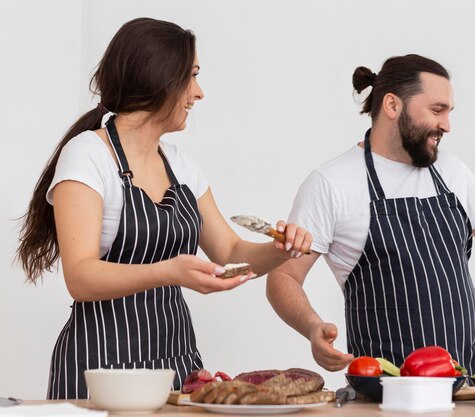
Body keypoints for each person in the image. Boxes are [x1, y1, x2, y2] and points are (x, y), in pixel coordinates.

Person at [16, 17, 312, 400]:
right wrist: (169, 271)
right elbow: (81, 276)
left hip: (176, 364)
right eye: (191, 76)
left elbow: (231, 253)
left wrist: (278, 250)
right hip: (101, 369)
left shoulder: (181, 164)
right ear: (159, 78)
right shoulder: (89, 156)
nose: (199, 92)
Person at [266, 54, 475, 376]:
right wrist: (313, 327)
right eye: (436, 110)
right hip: (390, 386)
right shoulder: (332, 183)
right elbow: (284, 276)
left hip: (473, 378)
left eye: (449, 112)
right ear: (392, 105)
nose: (447, 125)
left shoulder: (451, 171)